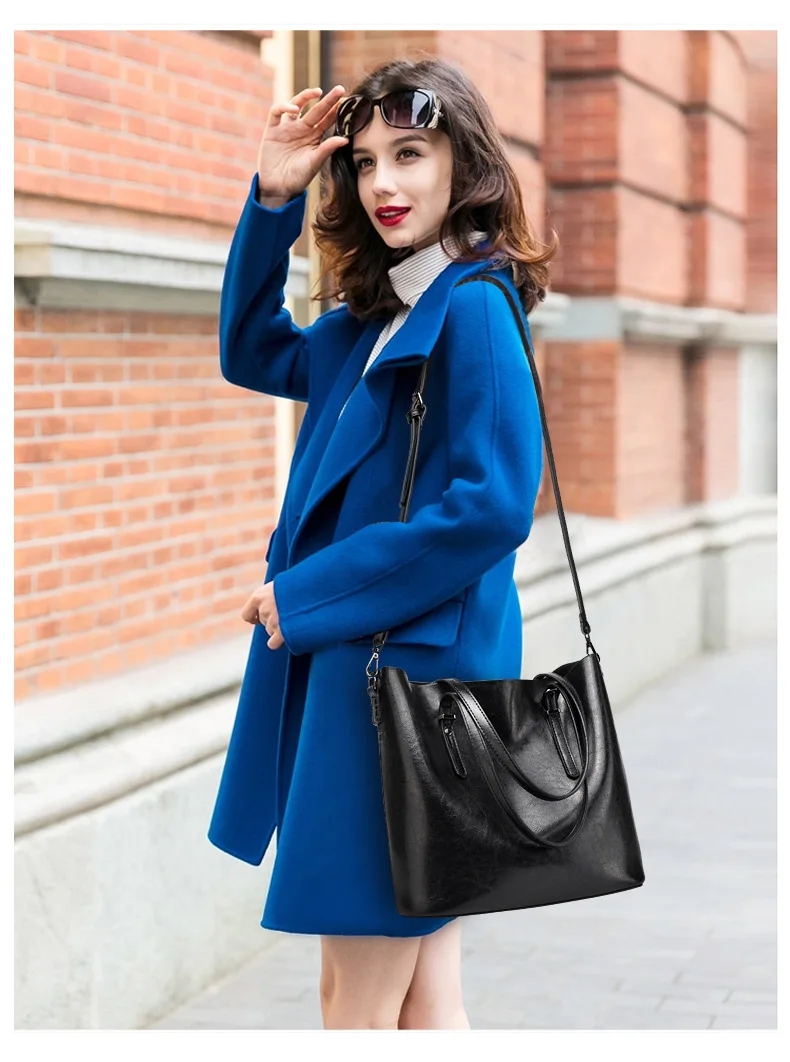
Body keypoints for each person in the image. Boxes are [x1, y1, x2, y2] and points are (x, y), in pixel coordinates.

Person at [208, 56, 557, 1030]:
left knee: (355, 1003)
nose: (382, 184)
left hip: (406, 689)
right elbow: (252, 350)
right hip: (379, 676)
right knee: (421, 999)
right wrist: (272, 199)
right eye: (363, 162)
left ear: (464, 163)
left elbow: (493, 507)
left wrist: (309, 593)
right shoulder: (379, 314)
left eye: (410, 154)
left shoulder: (472, 304)